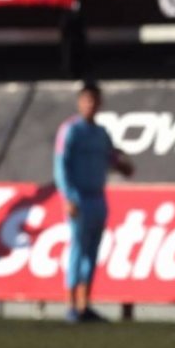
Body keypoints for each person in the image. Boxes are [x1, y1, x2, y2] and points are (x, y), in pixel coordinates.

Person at [53, 81, 134, 323]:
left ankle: (84, 304)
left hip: (98, 197)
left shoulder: (101, 133)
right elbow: (60, 165)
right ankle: (70, 305)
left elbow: (112, 157)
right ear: (80, 102)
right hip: (77, 196)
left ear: (100, 103)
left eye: (95, 100)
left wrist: (122, 165)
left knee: (92, 251)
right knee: (78, 248)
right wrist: (67, 196)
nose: (91, 105)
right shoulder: (70, 130)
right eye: (86, 100)